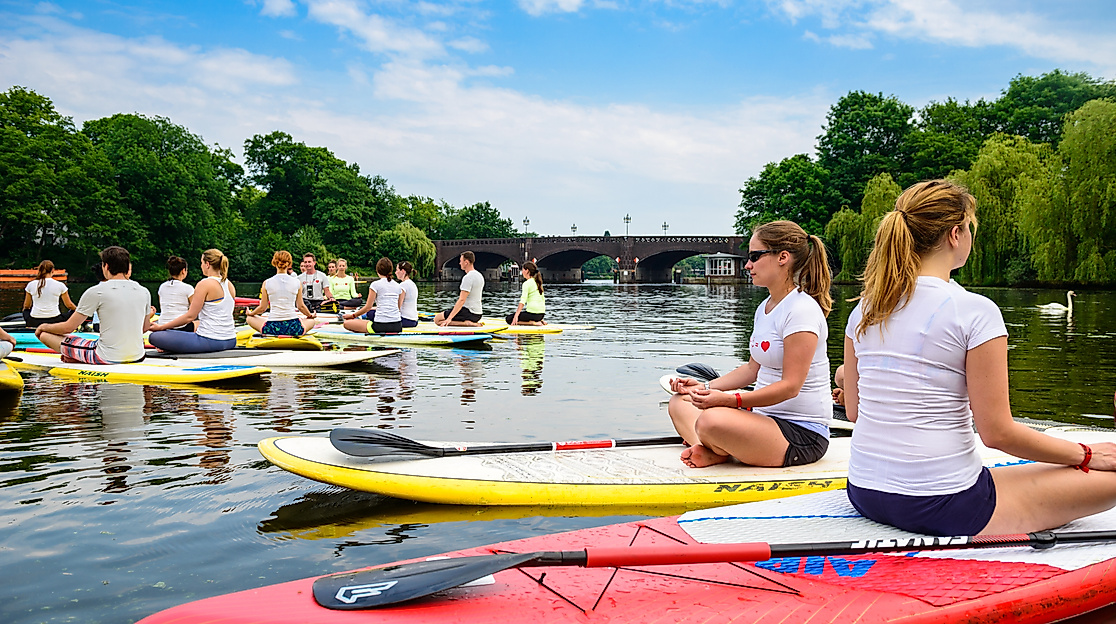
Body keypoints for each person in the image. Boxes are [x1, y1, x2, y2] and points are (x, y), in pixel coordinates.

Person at [844, 180, 1116, 537]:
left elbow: (853, 411)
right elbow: (998, 433)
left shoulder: (864, 309)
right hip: (944, 504)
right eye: (970, 227)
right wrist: (1084, 454)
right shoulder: (974, 311)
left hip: (864, 492)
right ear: (955, 234)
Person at [668, 220, 833, 469]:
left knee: (711, 421)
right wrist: (703, 388)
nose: (748, 265)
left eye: (755, 256)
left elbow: (790, 387)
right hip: (763, 420)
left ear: (783, 257)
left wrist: (730, 401)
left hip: (802, 435)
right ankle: (716, 449)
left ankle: (716, 447)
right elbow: (750, 371)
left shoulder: (802, 311)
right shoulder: (764, 308)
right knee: (680, 403)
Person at [36, 246, 152, 364]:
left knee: (44, 334)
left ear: (106, 266)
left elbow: (68, 327)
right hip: (138, 355)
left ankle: (76, 357)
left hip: (106, 357)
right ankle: (75, 357)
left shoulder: (97, 291)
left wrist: (43, 326)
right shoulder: (144, 291)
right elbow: (145, 327)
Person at [147, 250, 238, 353]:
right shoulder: (229, 285)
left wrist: (161, 327)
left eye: (201, 263)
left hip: (210, 341)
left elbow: (190, 316)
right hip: (231, 339)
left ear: (207, 264)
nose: (201, 266)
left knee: (154, 337)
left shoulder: (204, 284)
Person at [246, 251, 318, 336]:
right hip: (293, 327)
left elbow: (262, 308)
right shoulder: (297, 282)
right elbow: (301, 306)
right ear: (289, 264)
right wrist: (310, 315)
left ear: (274, 263)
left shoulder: (267, 283)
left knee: (249, 318)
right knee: (312, 320)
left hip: (272, 328)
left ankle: (267, 333)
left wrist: (251, 313)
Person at [343, 257, 404, 334]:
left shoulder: (375, 285)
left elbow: (368, 307)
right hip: (397, 325)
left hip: (380, 326)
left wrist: (352, 316)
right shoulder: (398, 286)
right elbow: (398, 307)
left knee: (346, 323)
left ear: (377, 271)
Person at [434, 251, 483, 327]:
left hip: (469, 312)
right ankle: (468, 322)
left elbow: (462, 300)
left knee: (437, 319)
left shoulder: (468, 277)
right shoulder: (479, 276)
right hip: (478, 314)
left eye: (461, 261)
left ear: (466, 262)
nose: (459, 263)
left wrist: (449, 318)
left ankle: (467, 324)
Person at [22, 259, 76, 327]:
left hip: (34, 321)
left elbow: (26, 306)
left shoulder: (31, 284)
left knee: (26, 311)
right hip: (55, 321)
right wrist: (77, 310)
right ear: (52, 270)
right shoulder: (60, 285)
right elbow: (69, 305)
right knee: (73, 311)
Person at [156, 256, 196, 332]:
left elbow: (162, 306)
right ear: (183, 271)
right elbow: (194, 311)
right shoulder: (188, 288)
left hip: (162, 324)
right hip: (181, 327)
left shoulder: (162, 287)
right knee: (200, 323)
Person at [507, 261, 546, 326]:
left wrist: (516, 315)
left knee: (509, 319)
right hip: (541, 315)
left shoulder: (527, 284)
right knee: (523, 315)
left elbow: (523, 301)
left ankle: (532, 323)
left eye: (523, 270)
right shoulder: (538, 282)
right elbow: (542, 299)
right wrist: (541, 319)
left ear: (527, 271)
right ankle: (539, 321)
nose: (522, 272)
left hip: (532, 314)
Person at [395, 261, 419, 328]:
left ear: (403, 271)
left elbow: (398, 307)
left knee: (371, 314)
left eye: (397, 270)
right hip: (414, 320)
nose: (395, 272)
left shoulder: (403, 285)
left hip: (406, 320)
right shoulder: (413, 284)